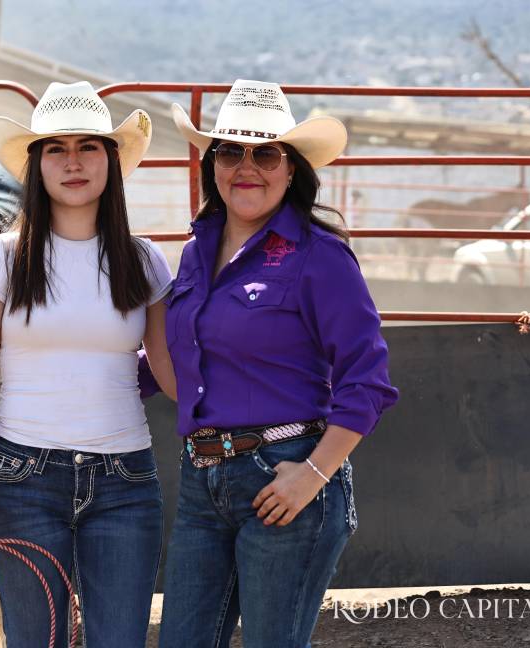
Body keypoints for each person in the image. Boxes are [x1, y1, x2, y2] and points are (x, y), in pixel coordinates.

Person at [150, 79, 399, 647]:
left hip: (285, 474)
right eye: (231, 151)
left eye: (266, 152)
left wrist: (312, 476)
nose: (247, 166)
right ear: (213, 163)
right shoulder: (194, 252)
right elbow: (174, 360)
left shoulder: (320, 255)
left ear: (292, 169)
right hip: (201, 480)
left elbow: (368, 379)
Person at [0, 81, 175, 648]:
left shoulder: (146, 261)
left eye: (88, 147)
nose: (73, 162)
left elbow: (175, 374)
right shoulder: (1, 258)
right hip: (22, 479)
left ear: (111, 160)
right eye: (56, 148)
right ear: (37, 164)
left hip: (125, 482)